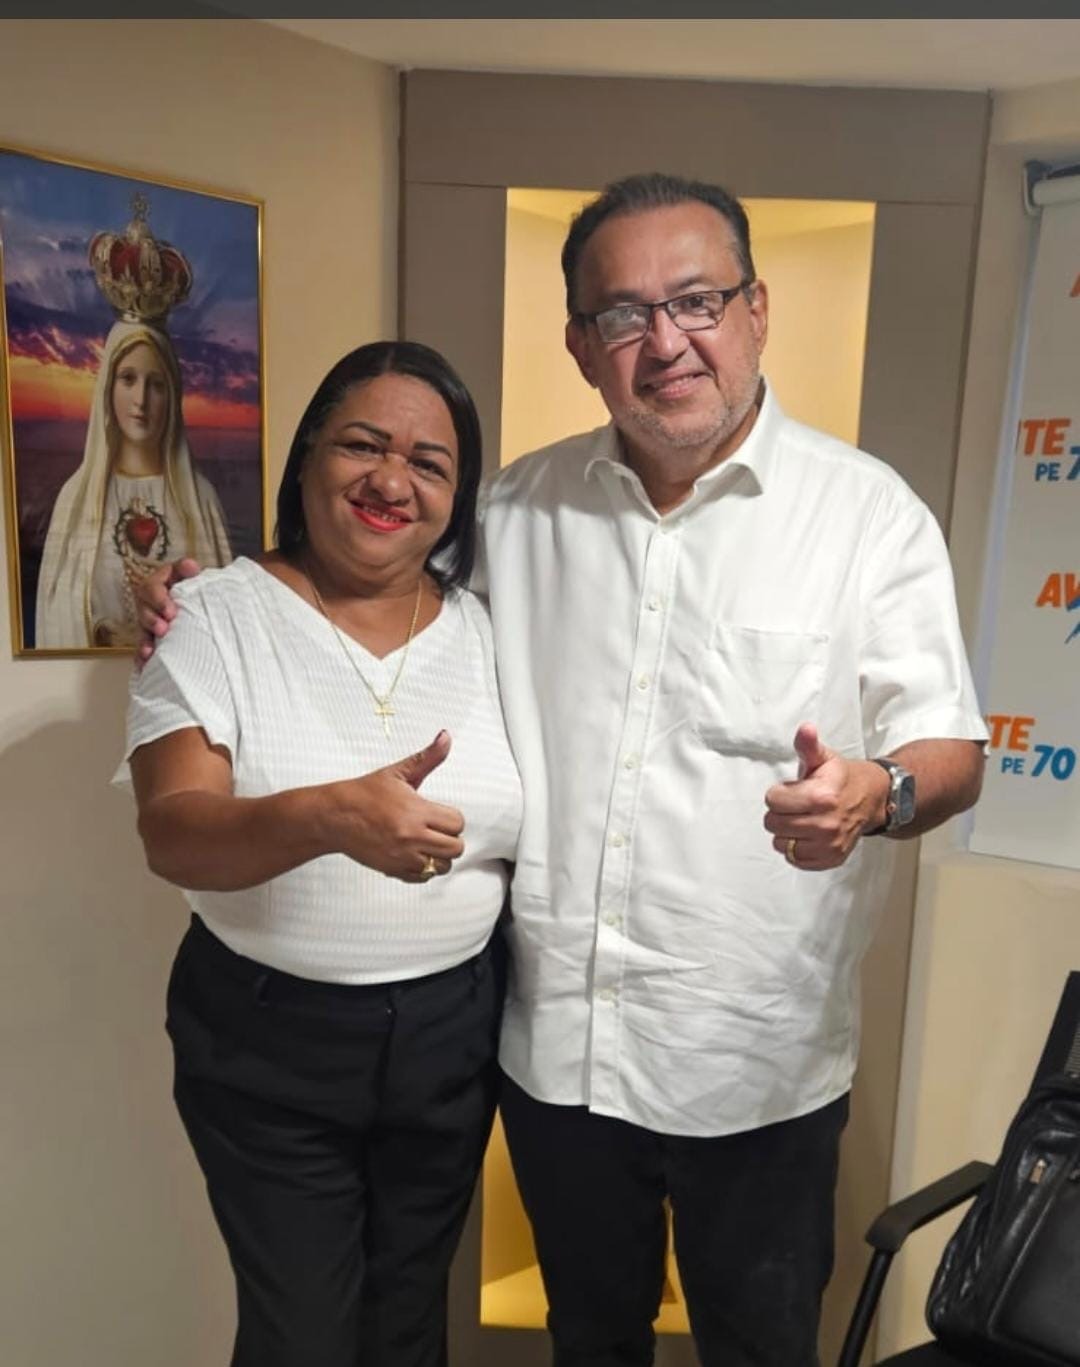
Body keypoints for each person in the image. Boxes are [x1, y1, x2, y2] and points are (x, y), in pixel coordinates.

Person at [138, 174, 988, 1367]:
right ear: (582, 346)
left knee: (758, 1345)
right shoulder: (514, 511)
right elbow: (370, 578)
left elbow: (952, 747)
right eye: (624, 314)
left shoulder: (868, 517)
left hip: (757, 1060)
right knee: (587, 1339)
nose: (666, 340)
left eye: (696, 300)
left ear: (756, 309)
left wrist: (881, 792)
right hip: (557, 1058)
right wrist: (216, 594)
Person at [120, 340, 522, 1367]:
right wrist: (329, 816)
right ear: (306, 456)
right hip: (269, 1041)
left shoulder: (490, 629)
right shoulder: (213, 616)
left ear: (457, 498)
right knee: (302, 1334)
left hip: (454, 1032)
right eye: (362, 445)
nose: (392, 480)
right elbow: (174, 831)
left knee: (408, 1324)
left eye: (429, 463)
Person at [35, 199, 231, 650]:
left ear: (173, 395)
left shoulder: (201, 501)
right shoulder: (76, 499)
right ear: (108, 388)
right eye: (128, 379)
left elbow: (225, 624)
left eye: (156, 384)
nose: (141, 399)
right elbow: (56, 619)